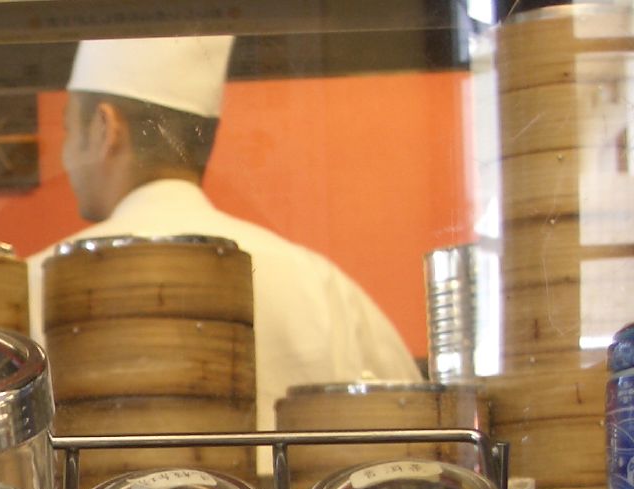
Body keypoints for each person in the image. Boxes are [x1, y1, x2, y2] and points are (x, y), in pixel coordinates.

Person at [30, 36, 419, 423]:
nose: (64, 157)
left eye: (67, 130)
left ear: (104, 128)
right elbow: (411, 437)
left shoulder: (36, 284)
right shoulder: (319, 286)